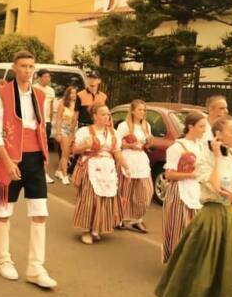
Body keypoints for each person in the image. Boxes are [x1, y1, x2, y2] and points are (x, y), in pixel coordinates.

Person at [155, 116, 232, 297]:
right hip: (209, 216)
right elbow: (215, 186)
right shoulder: (205, 156)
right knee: (192, 265)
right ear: (218, 135)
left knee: (230, 274)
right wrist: (217, 158)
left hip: (231, 220)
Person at [0, 51, 57, 289]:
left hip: (35, 159)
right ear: (14, 68)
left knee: (40, 212)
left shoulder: (40, 94)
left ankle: (35, 267)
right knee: (4, 210)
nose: (28, 70)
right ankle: (3, 259)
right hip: (10, 158)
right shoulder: (1, 94)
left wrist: (45, 156)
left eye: (31, 66)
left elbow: (41, 128)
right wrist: (7, 161)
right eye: (23, 66)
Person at [72, 103, 130, 244]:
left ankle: (96, 228)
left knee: (105, 199)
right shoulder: (84, 131)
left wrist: (126, 166)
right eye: (103, 114)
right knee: (89, 198)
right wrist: (86, 145)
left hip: (107, 169)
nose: (107, 117)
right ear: (95, 116)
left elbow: (116, 152)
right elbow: (74, 150)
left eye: (108, 114)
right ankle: (86, 229)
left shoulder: (113, 133)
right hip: (91, 166)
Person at [161, 111, 208, 263]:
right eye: (201, 126)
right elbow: (169, 174)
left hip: (197, 191)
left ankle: (190, 263)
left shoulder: (200, 145)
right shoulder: (177, 147)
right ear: (190, 126)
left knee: (195, 231)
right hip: (180, 192)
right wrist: (191, 175)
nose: (204, 130)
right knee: (180, 228)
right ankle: (177, 263)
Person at [115, 100, 154, 233]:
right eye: (139, 110)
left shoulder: (146, 126)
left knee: (145, 191)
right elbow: (117, 144)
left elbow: (146, 145)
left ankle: (137, 219)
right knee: (124, 190)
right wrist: (129, 145)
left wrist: (148, 143)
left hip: (141, 159)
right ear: (132, 111)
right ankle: (119, 218)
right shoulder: (124, 126)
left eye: (144, 110)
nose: (142, 112)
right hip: (128, 158)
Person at [34, 69, 56, 184]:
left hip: (46, 122)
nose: (48, 79)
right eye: (45, 76)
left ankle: (44, 172)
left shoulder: (51, 91)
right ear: (39, 77)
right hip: (36, 122)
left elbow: (51, 107)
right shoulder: (34, 88)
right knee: (34, 147)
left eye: (49, 76)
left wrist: (51, 121)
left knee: (44, 148)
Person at [53, 86, 77, 185]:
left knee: (68, 152)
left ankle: (59, 170)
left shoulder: (76, 105)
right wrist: (58, 133)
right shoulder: (62, 104)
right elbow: (58, 119)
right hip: (63, 129)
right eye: (71, 93)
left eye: (75, 93)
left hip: (73, 130)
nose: (73, 95)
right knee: (65, 153)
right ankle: (64, 174)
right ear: (68, 94)